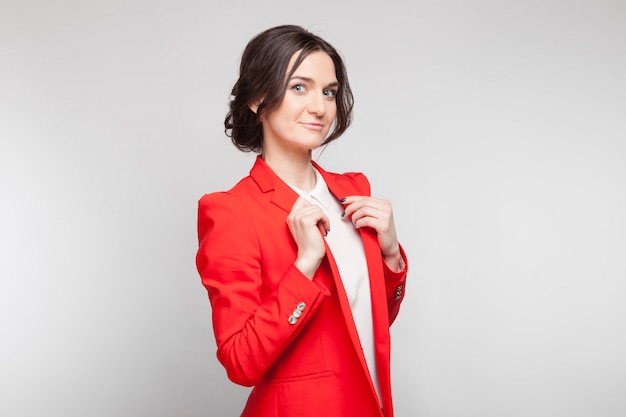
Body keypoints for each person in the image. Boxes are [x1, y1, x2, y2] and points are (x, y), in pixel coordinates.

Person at [195, 25, 408, 417]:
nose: (320, 107)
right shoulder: (231, 211)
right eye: (299, 87)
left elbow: (368, 320)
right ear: (258, 99)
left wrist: (392, 256)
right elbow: (240, 363)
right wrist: (304, 265)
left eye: (328, 91)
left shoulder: (354, 191)